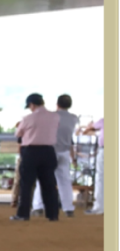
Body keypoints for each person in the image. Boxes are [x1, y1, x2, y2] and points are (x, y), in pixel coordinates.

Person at [12, 93, 61, 222]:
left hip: (31, 152)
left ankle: (23, 214)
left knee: (26, 184)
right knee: (49, 185)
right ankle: (53, 214)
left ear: (31, 105)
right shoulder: (55, 117)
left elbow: (18, 133)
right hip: (48, 151)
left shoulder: (27, 118)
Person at [42, 94, 81, 216]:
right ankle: (68, 208)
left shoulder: (50, 116)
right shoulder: (74, 118)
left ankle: (38, 206)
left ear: (57, 104)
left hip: (49, 150)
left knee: (43, 179)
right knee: (64, 181)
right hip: (64, 151)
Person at [78, 114, 104, 215]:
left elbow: (88, 130)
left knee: (101, 179)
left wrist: (89, 126)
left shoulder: (104, 121)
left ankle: (99, 208)